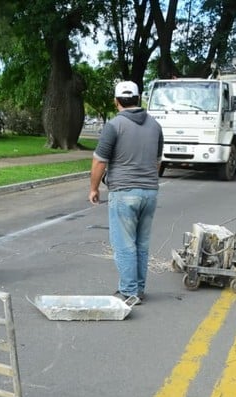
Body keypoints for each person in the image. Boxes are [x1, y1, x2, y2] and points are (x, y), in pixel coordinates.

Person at [89, 80, 164, 304]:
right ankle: (139, 288)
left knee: (124, 244)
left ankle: (129, 291)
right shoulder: (155, 126)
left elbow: (100, 161)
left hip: (124, 191)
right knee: (141, 243)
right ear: (139, 99)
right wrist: (148, 180)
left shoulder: (114, 125)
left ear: (116, 101)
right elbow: (158, 160)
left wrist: (94, 188)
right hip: (150, 192)